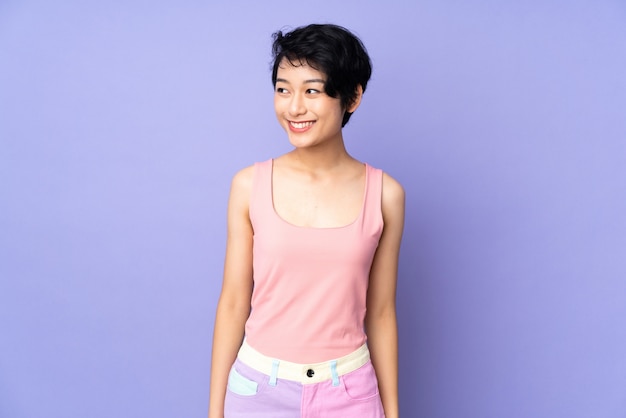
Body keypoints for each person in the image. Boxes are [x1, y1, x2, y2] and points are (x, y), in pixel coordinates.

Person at [208, 23, 405, 418]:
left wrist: (392, 411)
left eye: (311, 90)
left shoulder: (385, 195)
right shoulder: (249, 185)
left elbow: (381, 312)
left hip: (348, 393)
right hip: (258, 391)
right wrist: (215, 411)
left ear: (352, 97)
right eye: (283, 89)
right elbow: (232, 303)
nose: (294, 107)